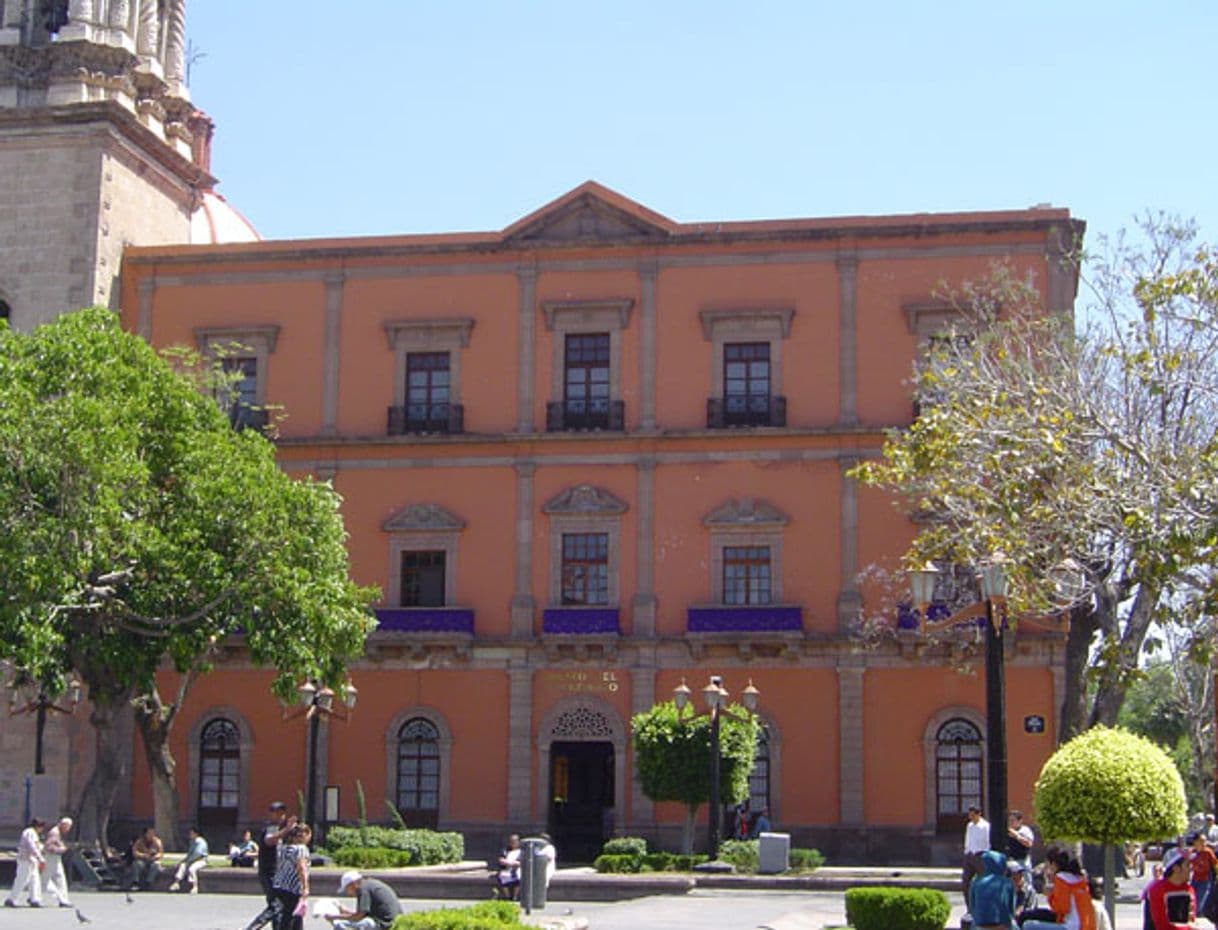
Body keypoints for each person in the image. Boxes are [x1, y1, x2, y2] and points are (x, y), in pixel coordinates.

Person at [243, 803, 296, 930]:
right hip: (269, 872)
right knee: (276, 905)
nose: (280, 816)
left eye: (282, 813)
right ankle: (253, 927)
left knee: (276, 905)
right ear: (271, 813)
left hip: (276, 873)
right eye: (276, 812)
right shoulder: (271, 828)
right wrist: (286, 830)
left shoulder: (280, 829)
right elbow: (269, 840)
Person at [1023, 846, 1095, 930]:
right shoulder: (1079, 879)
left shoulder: (1061, 878)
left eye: (1048, 865)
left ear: (1053, 864)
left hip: (1071, 927)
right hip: (1086, 926)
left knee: (1028, 925)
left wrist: (1050, 895)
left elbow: (1062, 908)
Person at [1143, 845, 1199, 930]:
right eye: (1187, 865)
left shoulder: (1189, 889)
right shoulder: (1157, 889)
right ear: (1176, 868)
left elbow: (1190, 920)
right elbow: (1161, 924)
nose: (1191, 869)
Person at [326, 870, 402, 930]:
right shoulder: (367, 885)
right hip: (392, 921)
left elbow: (358, 917)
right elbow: (362, 914)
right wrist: (344, 911)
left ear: (353, 884)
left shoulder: (363, 890)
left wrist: (334, 917)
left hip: (384, 924)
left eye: (347, 889)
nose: (348, 893)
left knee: (340, 923)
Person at [271, 822, 311, 930]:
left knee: (286, 915)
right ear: (306, 835)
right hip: (293, 887)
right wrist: (305, 887)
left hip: (280, 885)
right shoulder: (301, 849)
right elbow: (301, 867)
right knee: (295, 915)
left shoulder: (284, 848)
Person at [968, 848, 1016, 930]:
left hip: (980, 925)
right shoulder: (1007, 883)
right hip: (1002, 925)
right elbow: (1011, 909)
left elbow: (972, 907)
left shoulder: (976, 882)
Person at [4, 817, 45, 908]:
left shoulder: (31, 833)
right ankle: (11, 899)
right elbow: (32, 846)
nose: (42, 830)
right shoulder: (30, 832)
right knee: (22, 880)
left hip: (31, 860)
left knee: (34, 880)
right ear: (38, 826)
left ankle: (34, 899)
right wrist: (40, 857)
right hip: (26, 860)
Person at [962, 805, 991, 908]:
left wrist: (985, 855)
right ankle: (969, 907)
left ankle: (984, 906)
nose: (971, 817)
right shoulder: (969, 825)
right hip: (970, 855)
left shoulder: (986, 826)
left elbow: (988, 841)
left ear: (979, 814)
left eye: (973, 815)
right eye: (970, 815)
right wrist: (967, 851)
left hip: (981, 855)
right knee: (966, 882)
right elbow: (968, 839)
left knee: (984, 882)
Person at [42, 817, 74, 908]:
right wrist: (61, 849)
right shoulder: (54, 833)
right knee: (46, 880)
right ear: (64, 825)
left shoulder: (57, 832)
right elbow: (48, 847)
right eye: (68, 827)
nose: (68, 830)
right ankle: (35, 896)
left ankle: (63, 899)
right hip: (51, 858)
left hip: (55, 858)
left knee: (59, 878)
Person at [169, 826, 209, 893]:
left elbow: (197, 854)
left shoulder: (200, 842)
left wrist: (189, 861)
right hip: (192, 860)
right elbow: (189, 854)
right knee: (182, 866)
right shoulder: (192, 842)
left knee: (192, 869)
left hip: (201, 860)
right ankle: (176, 883)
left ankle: (195, 887)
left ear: (196, 834)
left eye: (191, 833)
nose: (190, 835)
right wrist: (182, 861)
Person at [1188, 832, 1216, 914]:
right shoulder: (1191, 852)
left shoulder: (1208, 852)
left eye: (1205, 841)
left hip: (1205, 880)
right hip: (1194, 879)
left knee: (1200, 901)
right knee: (1191, 899)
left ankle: (1197, 917)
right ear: (1195, 842)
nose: (1204, 843)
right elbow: (1186, 864)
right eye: (1201, 841)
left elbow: (1215, 864)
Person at [128, 826, 164, 890]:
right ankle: (135, 882)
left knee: (156, 865)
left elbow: (160, 853)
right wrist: (143, 855)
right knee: (136, 864)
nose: (151, 835)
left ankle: (149, 882)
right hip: (142, 860)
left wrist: (155, 857)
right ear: (145, 834)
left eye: (153, 833)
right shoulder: (139, 841)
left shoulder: (157, 841)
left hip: (153, 860)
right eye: (149, 833)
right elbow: (135, 852)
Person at [490, 834, 521, 901]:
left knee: (519, 876)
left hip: (517, 869)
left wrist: (514, 864)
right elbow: (501, 859)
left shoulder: (521, 851)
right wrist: (508, 863)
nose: (513, 843)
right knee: (503, 876)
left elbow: (522, 862)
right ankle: (508, 896)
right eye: (511, 841)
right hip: (506, 869)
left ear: (518, 842)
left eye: (515, 841)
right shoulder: (505, 850)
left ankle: (515, 896)